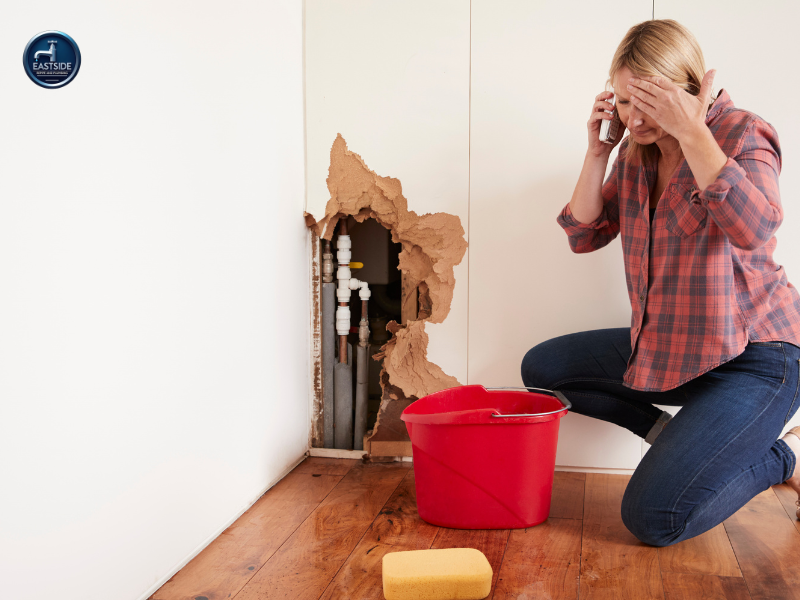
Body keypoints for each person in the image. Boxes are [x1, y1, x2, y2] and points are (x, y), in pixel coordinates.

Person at [521, 19, 800, 547]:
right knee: (545, 370)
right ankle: (672, 436)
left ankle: (784, 456)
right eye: (627, 102)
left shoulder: (742, 131)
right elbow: (583, 235)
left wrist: (694, 133)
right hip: (677, 348)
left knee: (654, 518)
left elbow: (756, 227)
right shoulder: (634, 155)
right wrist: (598, 151)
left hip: (759, 358)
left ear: (690, 88)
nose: (637, 116)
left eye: (652, 99)